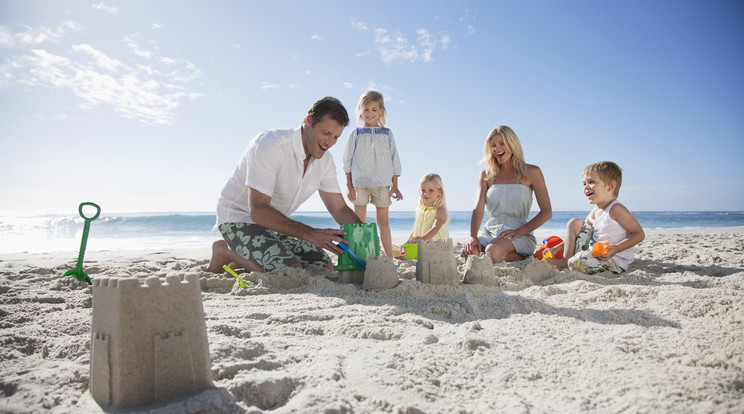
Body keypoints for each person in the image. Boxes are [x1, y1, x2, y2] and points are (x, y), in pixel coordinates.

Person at [207, 96, 363, 273]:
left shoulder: (325, 161)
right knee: (290, 271)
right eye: (326, 133)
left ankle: (246, 259)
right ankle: (225, 251)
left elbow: (340, 209)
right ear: (309, 121)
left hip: (272, 225)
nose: (330, 143)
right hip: (238, 218)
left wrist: (367, 237)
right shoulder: (270, 144)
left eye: (336, 137)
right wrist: (311, 234)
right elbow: (258, 209)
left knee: (322, 266)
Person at [462, 125, 552, 263]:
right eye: (493, 145)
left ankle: (522, 257)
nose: (497, 149)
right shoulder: (486, 175)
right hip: (491, 232)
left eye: (502, 143)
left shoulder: (532, 172)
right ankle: (510, 258)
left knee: (491, 252)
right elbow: (478, 208)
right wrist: (473, 236)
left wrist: (519, 232)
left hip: (518, 235)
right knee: (470, 253)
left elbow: (547, 212)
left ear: (513, 144)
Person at [548, 161, 645, 274]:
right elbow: (579, 236)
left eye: (591, 182)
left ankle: (570, 262)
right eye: (584, 184)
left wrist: (617, 248)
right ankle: (565, 259)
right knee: (574, 223)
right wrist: (556, 249)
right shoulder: (594, 212)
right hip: (592, 253)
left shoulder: (616, 209)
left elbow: (638, 234)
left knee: (577, 262)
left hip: (612, 260)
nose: (586, 187)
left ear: (610, 186)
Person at [342, 90, 403, 257]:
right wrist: (349, 186)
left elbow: (394, 159)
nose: (370, 114)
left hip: (382, 184)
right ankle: (360, 256)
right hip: (360, 185)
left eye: (374, 110)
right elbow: (347, 161)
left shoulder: (387, 133)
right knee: (359, 224)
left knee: (383, 223)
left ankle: (389, 258)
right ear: (360, 110)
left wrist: (395, 185)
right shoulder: (355, 134)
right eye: (366, 109)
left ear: (381, 111)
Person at [406, 173, 449, 243]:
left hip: (436, 245)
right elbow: (416, 229)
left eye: (431, 190)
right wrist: (409, 241)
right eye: (423, 190)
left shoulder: (440, 210)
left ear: (439, 191)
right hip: (422, 244)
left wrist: (423, 238)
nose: (426, 193)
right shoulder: (421, 210)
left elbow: (436, 227)